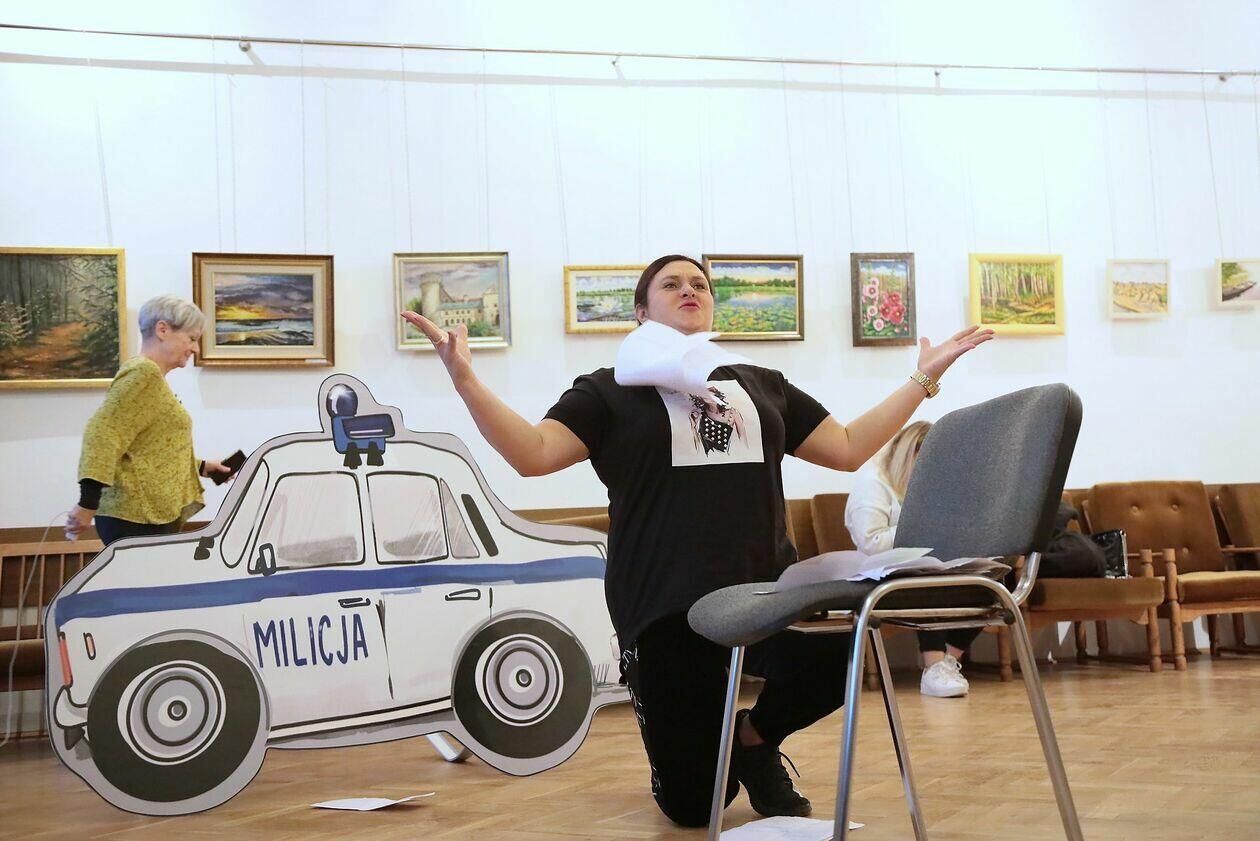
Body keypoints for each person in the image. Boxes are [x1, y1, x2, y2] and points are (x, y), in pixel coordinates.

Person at [402, 254, 993, 827]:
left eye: (700, 284)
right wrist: (465, 379)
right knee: (694, 807)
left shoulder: (761, 385)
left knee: (845, 646)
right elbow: (532, 455)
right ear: (640, 312)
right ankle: (711, 751)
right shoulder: (608, 392)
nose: (689, 289)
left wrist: (924, 378)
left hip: (765, 592)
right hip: (666, 606)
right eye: (671, 284)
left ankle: (752, 740)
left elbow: (846, 448)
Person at [66, 295, 233, 546]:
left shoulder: (151, 377)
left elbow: (149, 448)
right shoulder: (144, 373)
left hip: (146, 516)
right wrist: (87, 503)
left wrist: (202, 467)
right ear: (162, 330)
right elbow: (102, 432)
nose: (196, 349)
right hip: (136, 518)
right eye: (192, 338)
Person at [844, 421, 981, 698]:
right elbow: (871, 543)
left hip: (928, 567)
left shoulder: (931, 488)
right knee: (926, 576)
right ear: (908, 455)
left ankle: (947, 663)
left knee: (993, 581)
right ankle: (933, 665)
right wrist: (927, 527)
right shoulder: (873, 484)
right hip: (883, 576)